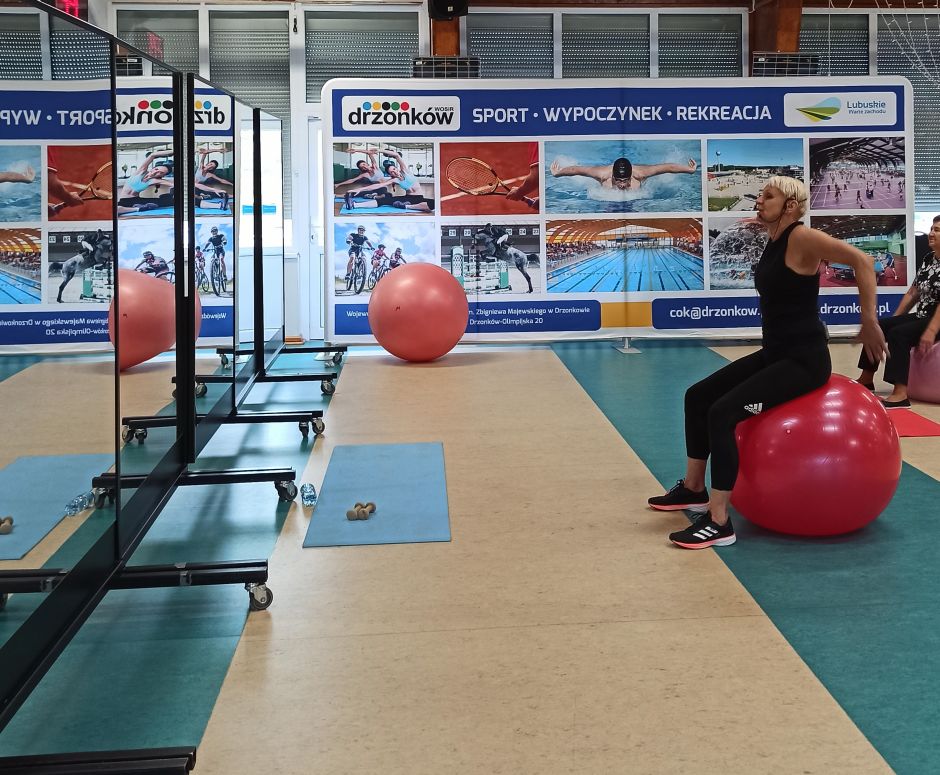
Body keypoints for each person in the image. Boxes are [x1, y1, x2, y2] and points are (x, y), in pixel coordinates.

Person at [648, 176, 887, 549]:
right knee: (697, 396)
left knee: (722, 413)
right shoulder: (773, 239)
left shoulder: (801, 237)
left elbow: (863, 260)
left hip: (804, 360)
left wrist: (869, 321)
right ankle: (693, 488)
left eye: (768, 196)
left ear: (790, 206)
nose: (759, 200)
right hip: (776, 352)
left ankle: (719, 520)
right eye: (760, 195)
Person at [856, 216, 940, 408]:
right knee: (879, 326)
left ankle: (900, 394)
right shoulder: (929, 259)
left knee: (899, 334)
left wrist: (931, 331)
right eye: (931, 229)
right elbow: (913, 292)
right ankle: (866, 378)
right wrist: (896, 318)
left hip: (937, 320)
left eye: (937, 230)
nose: (931, 233)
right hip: (924, 315)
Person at [550, 155, 697, 191]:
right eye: (618, 180)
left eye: (625, 180)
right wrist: (558, 173)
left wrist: (689, 170)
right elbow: (576, 170)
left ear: (631, 176)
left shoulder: (640, 173)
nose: (621, 185)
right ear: (613, 176)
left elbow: (667, 167)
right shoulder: (602, 174)